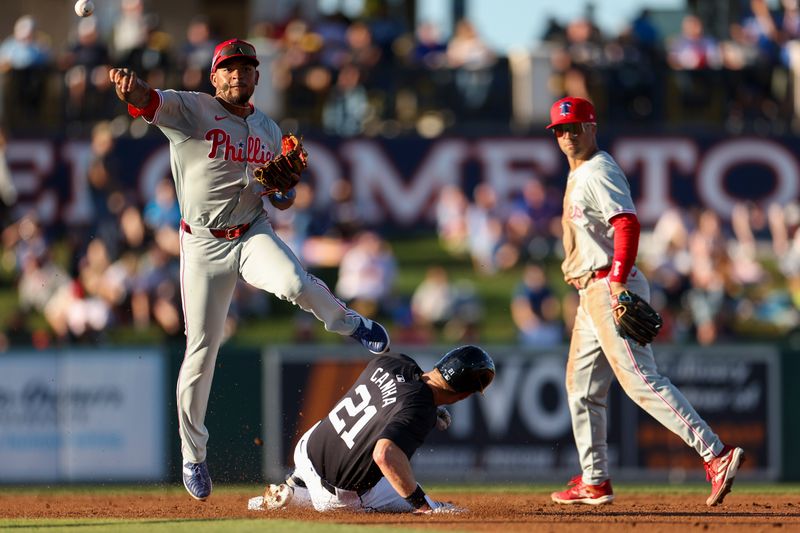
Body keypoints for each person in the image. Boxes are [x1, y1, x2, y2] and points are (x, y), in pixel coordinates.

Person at [108, 38, 390, 502]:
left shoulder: (269, 128)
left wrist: (284, 191)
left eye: (246, 68)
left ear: (257, 77)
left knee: (296, 282)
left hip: (251, 231)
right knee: (201, 350)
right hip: (201, 243)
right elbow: (149, 101)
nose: (237, 75)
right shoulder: (193, 110)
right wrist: (133, 90)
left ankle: (351, 322)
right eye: (229, 68)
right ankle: (193, 456)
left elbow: (283, 197)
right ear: (214, 77)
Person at [545, 96, 744, 507]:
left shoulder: (598, 169)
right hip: (590, 292)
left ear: (591, 127)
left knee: (640, 380)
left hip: (608, 285)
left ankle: (716, 455)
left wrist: (617, 282)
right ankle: (595, 479)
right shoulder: (578, 172)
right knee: (580, 388)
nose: (567, 135)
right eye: (560, 130)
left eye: (574, 127)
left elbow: (627, 223)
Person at [256, 345, 495, 513]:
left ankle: (294, 484)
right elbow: (384, 454)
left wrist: (429, 410)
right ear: (463, 396)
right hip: (336, 494)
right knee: (438, 506)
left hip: (308, 448)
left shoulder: (395, 361)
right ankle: (299, 498)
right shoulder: (419, 409)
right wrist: (422, 506)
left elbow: (391, 402)